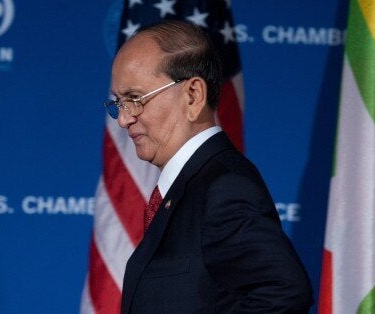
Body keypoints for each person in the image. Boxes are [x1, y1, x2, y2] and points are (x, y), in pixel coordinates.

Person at [103, 20, 313, 313]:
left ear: (193, 95)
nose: (123, 119)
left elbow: (283, 294)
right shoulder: (184, 190)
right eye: (118, 103)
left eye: (135, 99)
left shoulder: (224, 188)